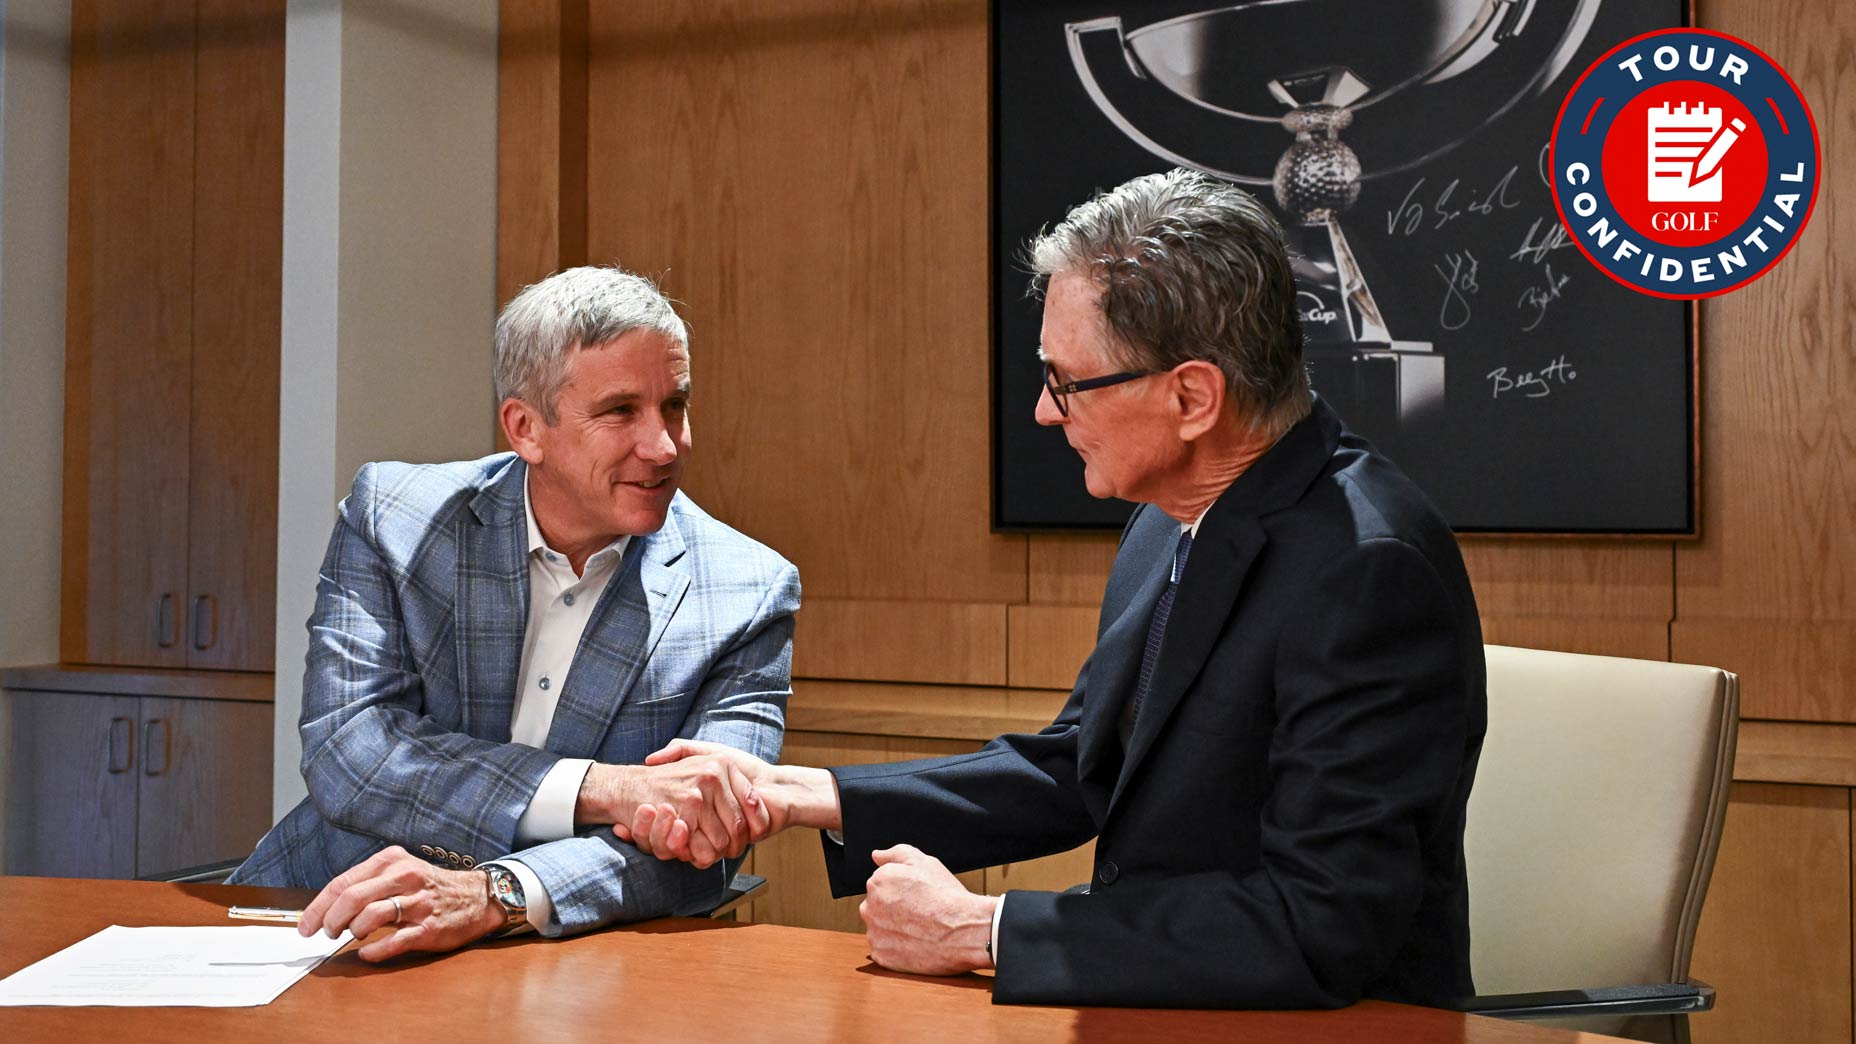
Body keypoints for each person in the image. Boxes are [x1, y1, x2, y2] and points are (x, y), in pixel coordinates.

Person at [622, 169, 1487, 1009]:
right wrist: (811, 796)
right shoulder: (1169, 516)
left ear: (1192, 397)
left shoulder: (1371, 570)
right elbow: (1086, 765)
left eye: (1067, 382)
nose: (1044, 411)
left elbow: (1318, 925)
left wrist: (984, 931)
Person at [229, 266, 799, 963]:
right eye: (621, 411)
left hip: (570, 962)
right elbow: (349, 752)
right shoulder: (396, 518)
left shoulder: (748, 590)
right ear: (525, 428)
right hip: (323, 918)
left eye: (674, 406)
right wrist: (606, 789)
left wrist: (500, 894)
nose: (665, 446)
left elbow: (705, 841)